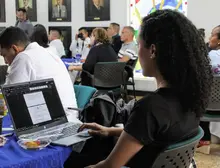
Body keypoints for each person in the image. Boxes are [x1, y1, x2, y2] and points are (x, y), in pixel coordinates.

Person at [64, 9, 213, 168]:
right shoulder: (190, 98)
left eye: (140, 45)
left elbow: (109, 166)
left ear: (153, 51)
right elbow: (152, 134)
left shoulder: (150, 108)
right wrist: (109, 130)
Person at [0, 27, 78, 118]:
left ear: (15, 49)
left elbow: (9, 98)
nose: (5, 61)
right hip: (72, 118)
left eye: (4, 55)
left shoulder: (23, 57)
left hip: (51, 124)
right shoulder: (50, 54)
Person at [198, 25, 220, 154]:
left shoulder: (209, 56)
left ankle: (204, 143)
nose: (209, 38)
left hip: (208, 106)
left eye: (212, 35)